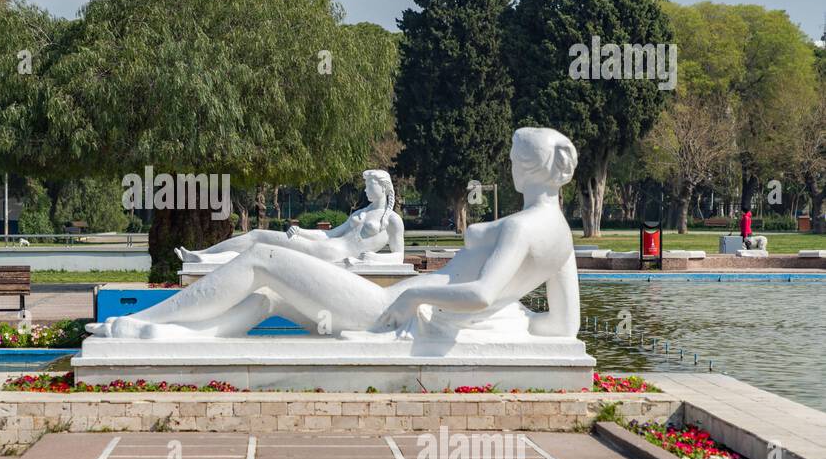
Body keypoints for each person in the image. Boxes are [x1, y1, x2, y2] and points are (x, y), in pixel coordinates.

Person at [89, 128, 580, 341]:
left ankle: (136, 323)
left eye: (514, 159)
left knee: (264, 256)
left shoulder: (519, 227)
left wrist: (416, 301)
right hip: (400, 310)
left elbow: (478, 294)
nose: (508, 165)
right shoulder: (559, 236)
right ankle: (169, 335)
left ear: (526, 168)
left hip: (390, 313)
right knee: (270, 298)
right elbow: (563, 327)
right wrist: (513, 319)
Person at [177, 170, 402, 264]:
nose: (364, 190)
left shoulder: (392, 220)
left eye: (369, 185)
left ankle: (203, 255)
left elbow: (398, 257)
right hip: (328, 247)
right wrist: (302, 231)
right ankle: (205, 258)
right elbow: (329, 234)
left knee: (257, 237)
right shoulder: (361, 212)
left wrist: (372, 259)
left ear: (384, 187)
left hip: (334, 255)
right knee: (258, 245)